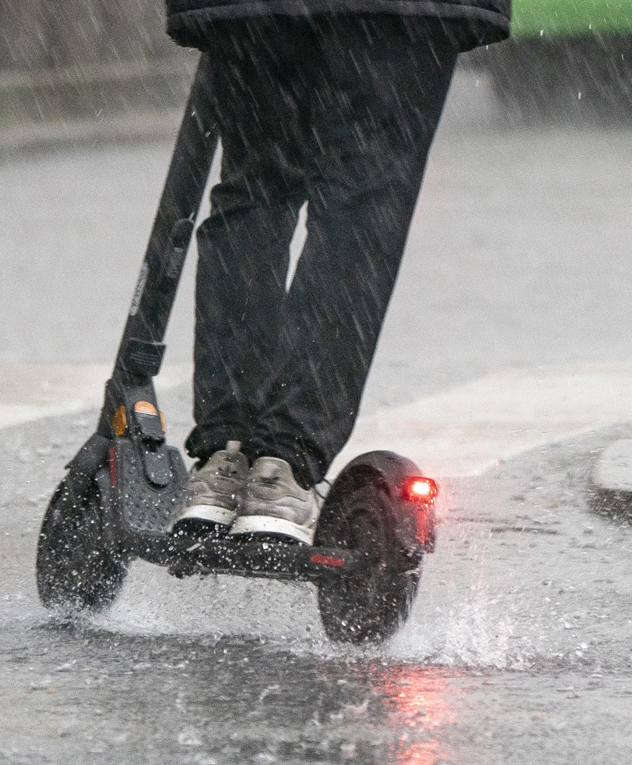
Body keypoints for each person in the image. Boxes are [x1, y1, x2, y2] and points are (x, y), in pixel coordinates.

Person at [163, 0, 509, 544]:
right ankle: (285, 463)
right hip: (393, 15)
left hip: (251, 13)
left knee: (254, 190)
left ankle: (223, 461)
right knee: (361, 203)